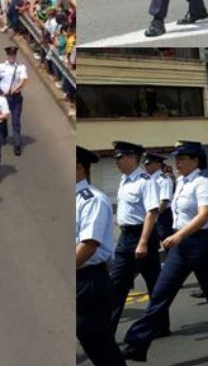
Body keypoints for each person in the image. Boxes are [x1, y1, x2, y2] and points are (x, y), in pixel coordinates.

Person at [121, 141, 208, 362]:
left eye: (182, 158)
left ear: (195, 160)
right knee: (160, 293)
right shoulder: (181, 181)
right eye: (177, 159)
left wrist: (178, 235)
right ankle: (137, 343)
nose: (177, 163)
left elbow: (204, 215)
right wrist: (175, 236)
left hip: (202, 244)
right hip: (181, 246)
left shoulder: (204, 183)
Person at [76, 146, 126, 365]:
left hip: (89, 280)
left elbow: (89, 245)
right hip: (79, 276)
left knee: (98, 344)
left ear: (79, 168)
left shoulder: (91, 200)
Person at [108, 141, 165, 335]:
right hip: (126, 237)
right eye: (116, 158)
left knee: (154, 284)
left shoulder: (145, 181)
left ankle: (161, 324)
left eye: (120, 158)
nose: (117, 162)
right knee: (116, 285)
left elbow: (151, 212)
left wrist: (142, 242)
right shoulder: (124, 180)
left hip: (142, 236)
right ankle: (107, 331)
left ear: (133, 158)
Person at [0, 46, 28, 155]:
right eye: (10, 55)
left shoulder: (21, 67)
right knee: (3, 119)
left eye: (13, 55)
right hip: (3, 97)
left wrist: (14, 89)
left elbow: (24, 80)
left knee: (16, 121)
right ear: (7, 56)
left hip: (16, 97)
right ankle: (4, 135)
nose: (12, 57)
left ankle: (17, 144)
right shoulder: (0, 67)